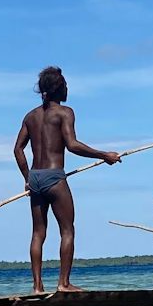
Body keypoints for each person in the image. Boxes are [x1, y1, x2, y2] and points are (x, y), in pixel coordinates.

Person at [14, 66, 121, 293]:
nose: (67, 88)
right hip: (54, 177)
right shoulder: (65, 112)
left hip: (35, 178)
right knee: (67, 230)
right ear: (57, 88)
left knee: (37, 233)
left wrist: (27, 177)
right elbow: (72, 145)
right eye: (65, 85)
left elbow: (18, 150)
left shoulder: (30, 116)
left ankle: (37, 287)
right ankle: (63, 283)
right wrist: (105, 155)